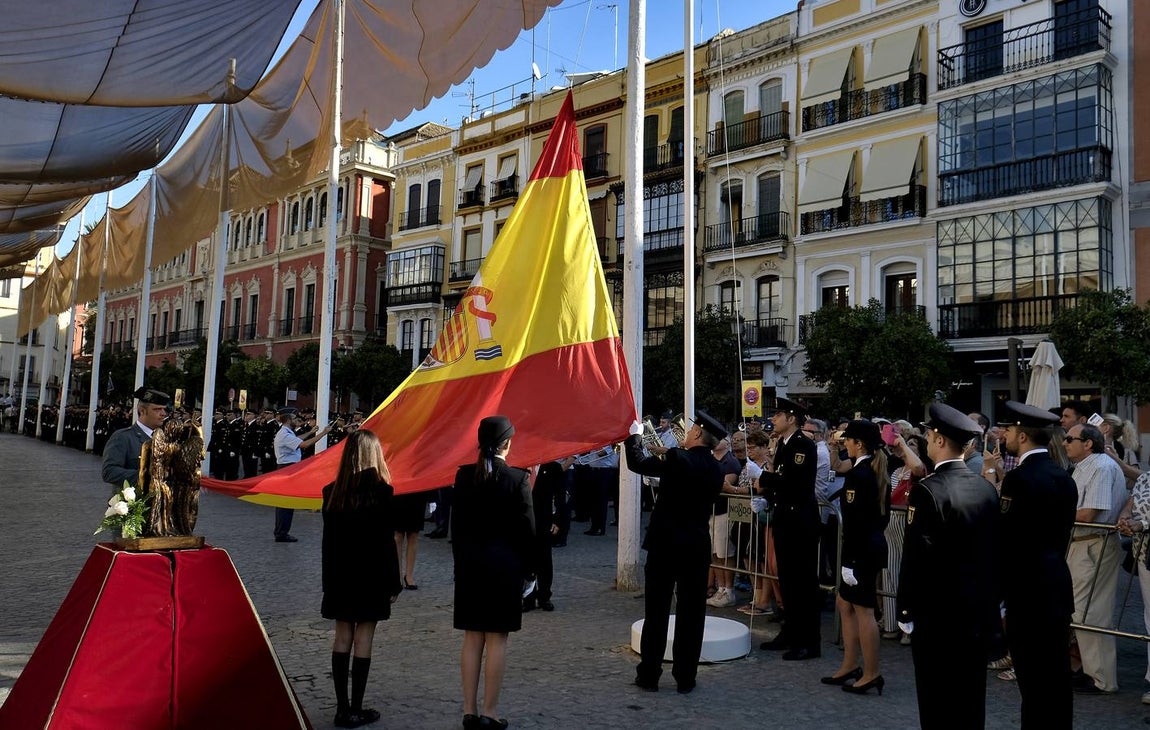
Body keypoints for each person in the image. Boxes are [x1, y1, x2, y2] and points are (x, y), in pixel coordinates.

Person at [897, 403, 998, 729]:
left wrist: (905, 610)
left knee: (937, 699)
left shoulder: (928, 490)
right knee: (970, 699)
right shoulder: (984, 487)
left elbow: (915, 559)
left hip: (938, 613)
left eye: (928, 436)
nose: (926, 441)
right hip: (975, 610)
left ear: (939, 440)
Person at [623, 411, 725, 693]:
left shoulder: (678, 459)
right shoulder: (715, 469)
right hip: (696, 545)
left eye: (691, 429)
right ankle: (686, 677)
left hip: (666, 545)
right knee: (692, 614)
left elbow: (638, 463)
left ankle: (649, 674)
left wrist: (632, 436)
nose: (687, 432)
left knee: (656, 611)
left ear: (696, 435)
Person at [996, 400, 1078, 729]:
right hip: (1056, 583)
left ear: (1023, 435)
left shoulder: (1019, 479)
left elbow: (1007, 538)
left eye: (1010, 430)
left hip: (1026, 590)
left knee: (1032, 682)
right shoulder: (1064, 477)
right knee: (1057, 679)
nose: (1006, 435)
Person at [452, 416, 534, 729]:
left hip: (471, 567)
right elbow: (528, 531)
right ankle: (490, 711)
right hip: (504, 569)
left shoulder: (464, 477)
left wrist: (461, 564)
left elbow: (456, 528)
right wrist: (529, 571)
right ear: (508, 443)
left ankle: (469, 710)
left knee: (472, 638)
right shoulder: (517, 479)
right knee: (497, 640)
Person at [321, 429, 403, 729]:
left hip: (341, 575)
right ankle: (356, 708)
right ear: (374, 455)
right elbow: (388, 543)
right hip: (371, 576)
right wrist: (394, 584)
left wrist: (327, 583)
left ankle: (342, 709)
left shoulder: (332, 492)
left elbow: (327, 544)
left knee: (342, 635)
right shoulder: (383, 492)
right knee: (364, 637)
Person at [825, 419, 890, 695]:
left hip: (860, 549)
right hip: (867, 546)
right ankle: (850, 664)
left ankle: (872, 672)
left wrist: (850, 560)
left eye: (848, 440)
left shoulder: (860, 474)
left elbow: (857, 522)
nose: (845, 444)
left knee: (864, 610)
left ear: (859, 444)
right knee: (845, 602)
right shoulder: (869, 470)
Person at [757, 397, 822, 661]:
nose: (773, 419)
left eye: (778, 414)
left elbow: (794, 482)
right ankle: (791, 631)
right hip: (785, 518)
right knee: (787, 580)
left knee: (803, 582)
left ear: (791, 418)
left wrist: (762, 476)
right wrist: (767, 497)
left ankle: (809, 640)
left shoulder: (803, 445)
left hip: (800, 521)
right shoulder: (784, 445)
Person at [1064, 422, 1126, 694]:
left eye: (1070, 438)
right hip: (1084, 544)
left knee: (1090, 613)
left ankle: (1100, 679)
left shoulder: (1100, 466)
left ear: (1088, 443)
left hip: (1093, 545)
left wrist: (1052, 511)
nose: (1065, 442)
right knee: (1084, 612)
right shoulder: (1088, 465)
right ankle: (1091, 672)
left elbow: (1090, 514)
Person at [272, 407, 333, 542]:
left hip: (287, 468)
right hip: (288, 468)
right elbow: (304, 445)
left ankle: (281, 531)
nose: (297, 421)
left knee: (286, 503)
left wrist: (311, 432)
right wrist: (323, 433)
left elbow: (297, 439)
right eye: (294, 419)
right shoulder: (285, 434)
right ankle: (282, 533)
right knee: (286, 504)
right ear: (288, 420)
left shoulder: (286, 433)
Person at [1117, 471, 1150, 705]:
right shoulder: (1146, 476)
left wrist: (1141, 523)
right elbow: (1132, 500)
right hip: (1145, 554)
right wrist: (1125, 517)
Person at [525, 457, 574, 612]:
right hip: (524, 521)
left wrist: (558, 520)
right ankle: (528, 598)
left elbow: (561, 496)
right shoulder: (520, 467)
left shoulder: (552, 468)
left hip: (545, 521)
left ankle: (544, 597)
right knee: (526, 561)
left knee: (544, 561)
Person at [101, 387, 170, 491]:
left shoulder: (166, 439)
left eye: (164, 409)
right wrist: (145, 476)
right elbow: (109, 472)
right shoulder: (123, 437)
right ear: (142, 411)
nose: (163, 413)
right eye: (157, 409)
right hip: (134, 503)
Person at [392, 490, 426, 589]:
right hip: (399, 491)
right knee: (398, 535)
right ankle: (397, 576)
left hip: (417, 491)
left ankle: (409, 576)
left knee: (413, 534)